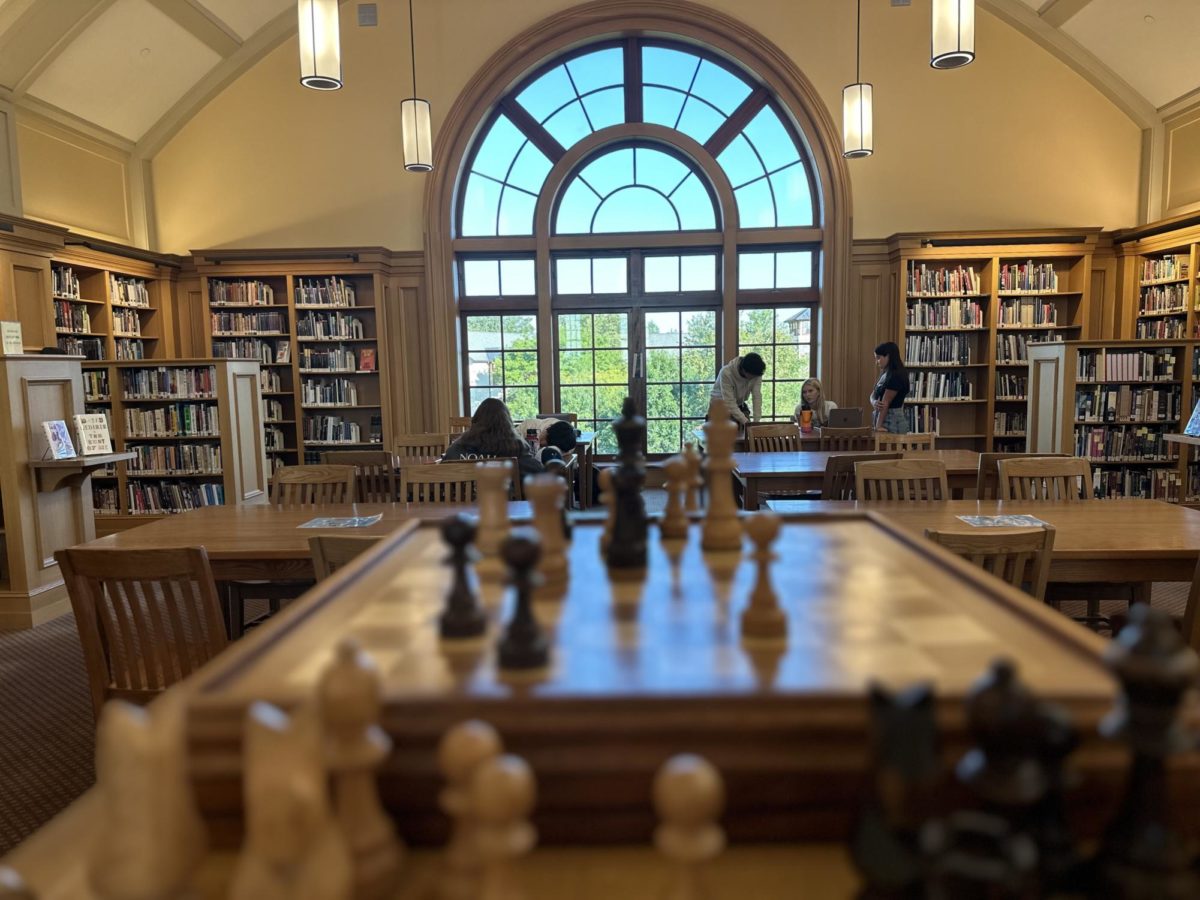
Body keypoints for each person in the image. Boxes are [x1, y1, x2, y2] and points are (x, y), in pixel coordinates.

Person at [443, 397, 544, 478]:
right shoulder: (518, 451)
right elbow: (540, 474)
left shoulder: (456, 449)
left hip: (462, 504)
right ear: (508, 423)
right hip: (506, 503)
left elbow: (440, 477)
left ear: (475, 421)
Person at [710, 352, 766, 426]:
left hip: (739, 404)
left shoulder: (756, 373)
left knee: (749, 432)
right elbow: (729, 402)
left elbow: (757, 397)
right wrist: (746, 422)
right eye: (752, 377)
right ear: (744, 370)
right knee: (726, 435)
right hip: (719, 406)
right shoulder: (726, 373)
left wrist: (756, 421)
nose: (754, 379)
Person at [870, 341, 910, 434]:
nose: (876, 362)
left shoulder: (896, 375)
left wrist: (878, 426)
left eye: (878, 358)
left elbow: (886, 402)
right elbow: (873, 394)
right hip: (882, 418)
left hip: (892, 422)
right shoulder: (884, 373)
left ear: (888, 356)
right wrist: (874, 401)